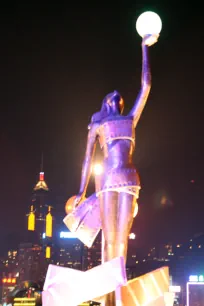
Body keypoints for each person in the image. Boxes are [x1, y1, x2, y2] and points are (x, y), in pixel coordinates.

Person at [74, 33, 159, 306]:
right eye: (111, 95)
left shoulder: (130, 119)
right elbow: (87, 159)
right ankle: (110, 297)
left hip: (131, 180)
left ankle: (118, 296)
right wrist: (81, 191)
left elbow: (145, 86)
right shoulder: (98, 124)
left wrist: (144, 47)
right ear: (104, 103)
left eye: (119, 97)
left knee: (121, 241)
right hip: (109, 181)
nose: (116, 95)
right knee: (110, 241)